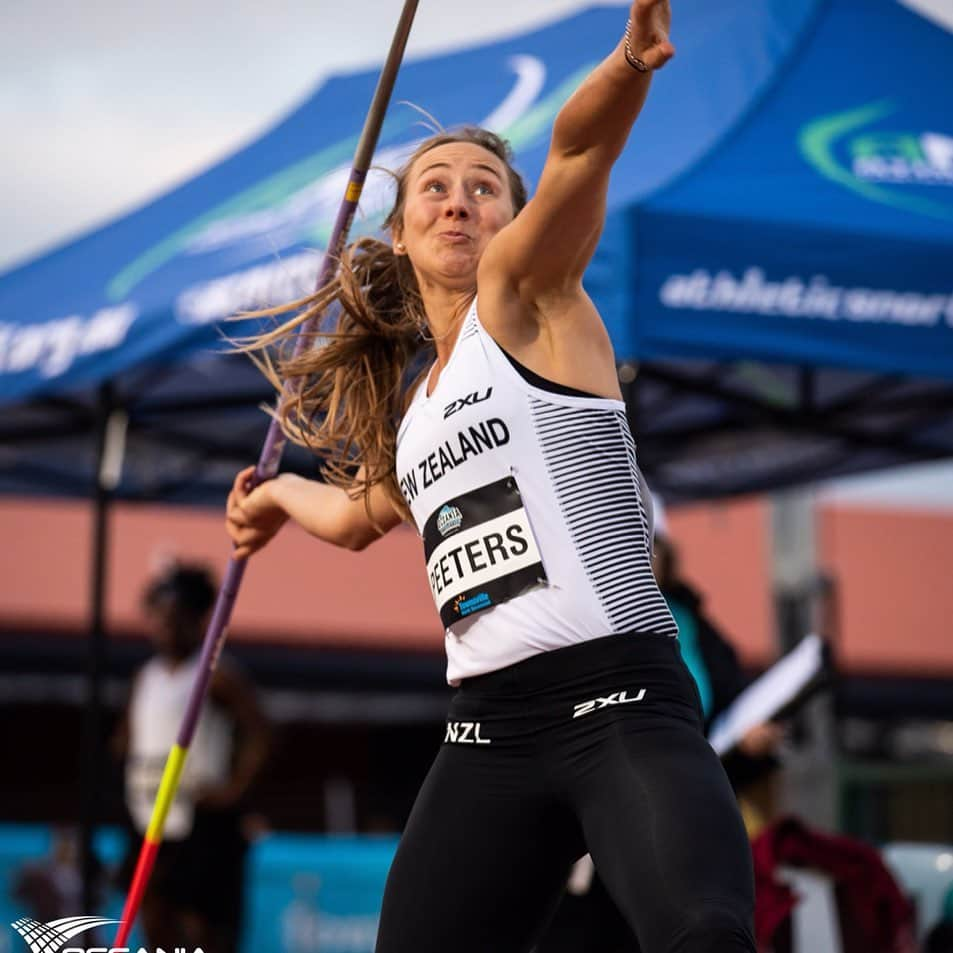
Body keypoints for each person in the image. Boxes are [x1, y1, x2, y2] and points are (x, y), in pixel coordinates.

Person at [226, 3, 756, 950]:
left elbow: (580, 153)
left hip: (619, 704)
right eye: (434, 187)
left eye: (484, 188)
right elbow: (356, 516)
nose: (459, 201)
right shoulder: (414, 408)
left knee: (701, 933)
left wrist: (632, 61)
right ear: (397, 233)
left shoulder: (526, 299)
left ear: (515, 223)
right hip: (487, 734)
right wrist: (267, 498)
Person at [116, 563, 270, 953]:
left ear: (196, 619)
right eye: (157, 616)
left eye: (174, 617)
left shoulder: (216, 674)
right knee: (154, 916)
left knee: (203, 926)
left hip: (201, 819)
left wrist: (233, 791)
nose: (164, 626)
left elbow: (260, 733)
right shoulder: (144, 677)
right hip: (147, 815)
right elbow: (129, 738)